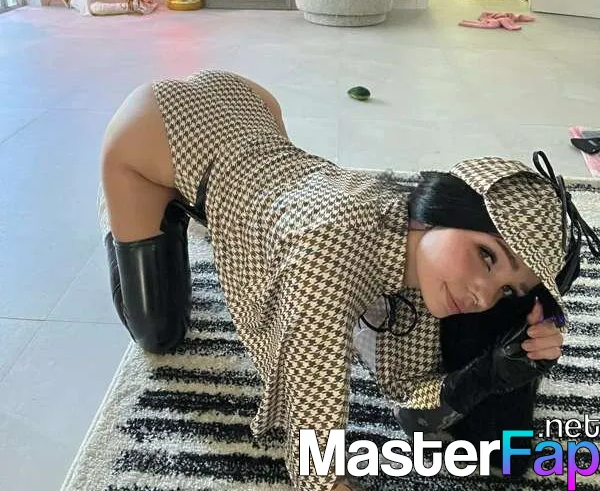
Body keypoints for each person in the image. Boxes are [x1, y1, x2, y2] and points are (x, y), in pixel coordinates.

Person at [98, 69, 598, 491]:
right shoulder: (327, 253)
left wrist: (489, 372)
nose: (482, 295)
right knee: (158, 334)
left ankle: (197, 213)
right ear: (442, 209)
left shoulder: (424, 264)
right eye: (486, 256)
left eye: (507, 288)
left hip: (253, 106)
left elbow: (407, 394)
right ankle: (154, 209)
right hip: (154, 127)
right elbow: (314, 462)